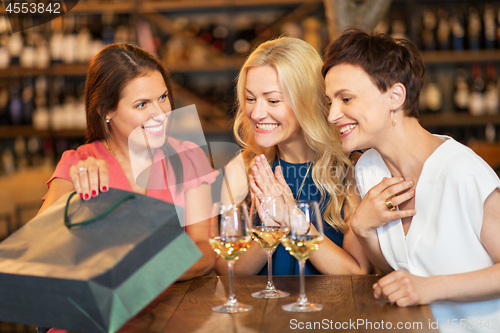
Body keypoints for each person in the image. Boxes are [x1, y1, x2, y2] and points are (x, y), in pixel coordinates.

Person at [323, 28, 500, 330]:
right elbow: (399, 271)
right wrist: (362, 230)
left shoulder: (462, 171)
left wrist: (428, 287)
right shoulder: (368, 169)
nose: (332, 115)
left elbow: (418, 283)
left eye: (346, 99)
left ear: (395, 96)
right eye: (330, 102)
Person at [39, 43, 218, 282]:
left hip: (168, 308)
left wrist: (152, 270)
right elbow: (38, 247)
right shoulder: (78, 164)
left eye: (163, 97)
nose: (161, 114)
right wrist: (73, 200)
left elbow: (205, 248)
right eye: (142, 104)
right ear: (106, 111)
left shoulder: (189, 158)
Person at [215, 37, 371, 276]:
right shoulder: (242, 168)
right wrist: (271, 230)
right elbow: (227, 274)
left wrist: (293, 218)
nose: (256, 113)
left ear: (307, 102)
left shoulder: (352, 168)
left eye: (273, 100)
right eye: (250, 98)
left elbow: (357, 274)